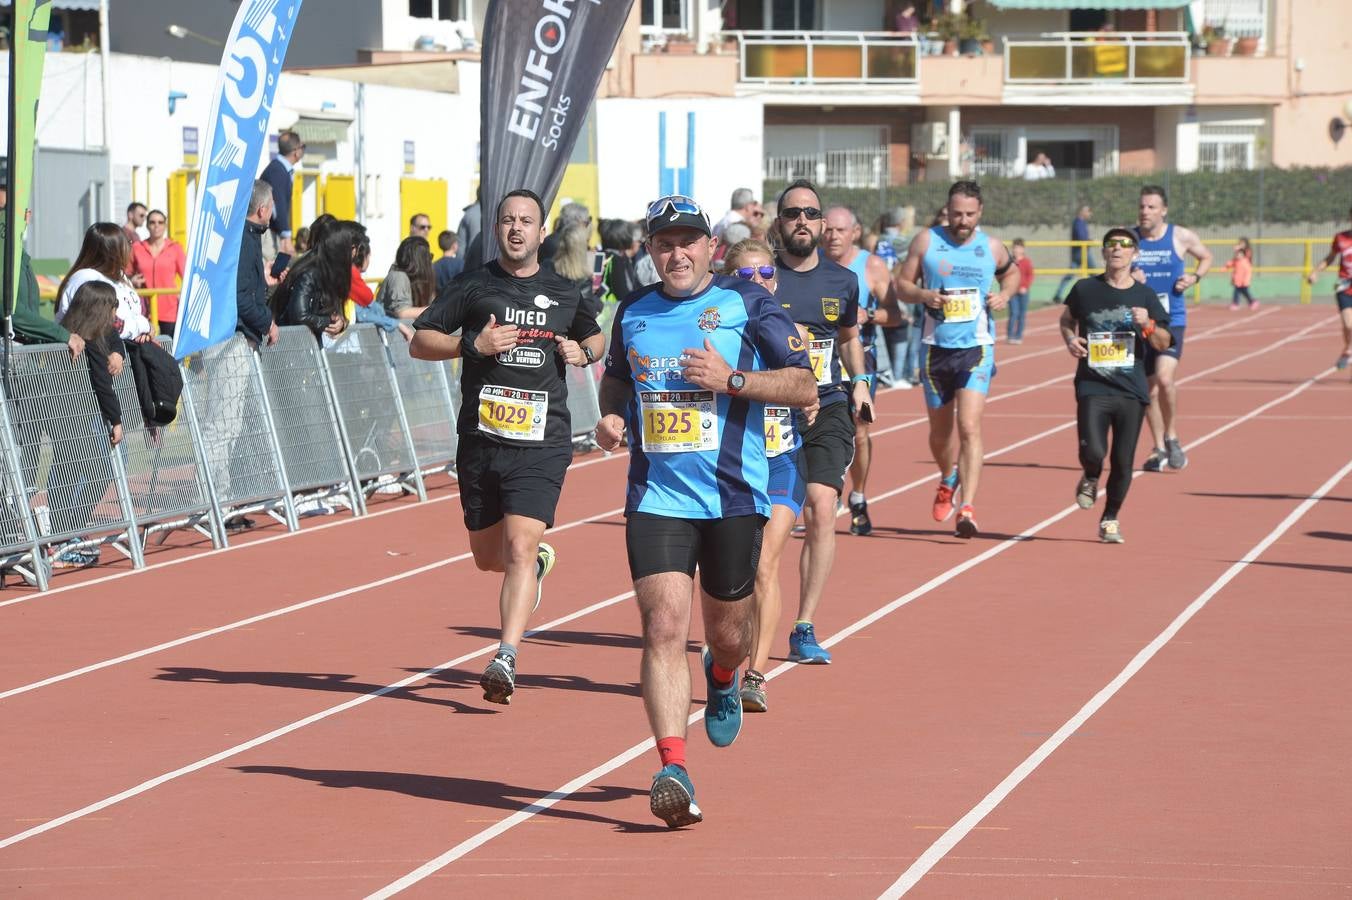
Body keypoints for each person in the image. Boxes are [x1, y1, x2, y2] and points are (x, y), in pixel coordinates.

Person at [595, 194, 814, 828]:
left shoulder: (747, 305)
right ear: (650, 251)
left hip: (731, 499)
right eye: (663, 243)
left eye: (688, 241)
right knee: (663, 626)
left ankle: (721, 675)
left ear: (710, 249)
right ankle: (672, 767)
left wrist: (733, 381)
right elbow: (616, 377)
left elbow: (802, 385)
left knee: (726, 633)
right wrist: (612, 414)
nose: (676, 253)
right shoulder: (632, 311)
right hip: (655, 497)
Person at [411, 189, 604, 706]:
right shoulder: (472, 285)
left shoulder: (565, 291)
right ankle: (536, 565)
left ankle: (506, 656)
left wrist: (582, 351)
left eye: (527, 221)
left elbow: (597, 336)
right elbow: (419, 339)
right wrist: (470, 346)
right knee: (487, 557)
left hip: (543, 442)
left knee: (519, 546)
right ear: (497, 229)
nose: (517, 229)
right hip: (481, 440)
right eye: (508, 221)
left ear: (543, 233)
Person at [770, 180, 869, 663]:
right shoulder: (756, 281)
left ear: (823, 223)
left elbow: (848, 336)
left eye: (810, 213)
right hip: (770, 411)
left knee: (822, 505)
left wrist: (863, 380)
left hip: (828, 405)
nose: (802, 222)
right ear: (779, 222)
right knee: (769, 524)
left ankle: (804, 625)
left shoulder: (842, 281)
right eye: (793, 214)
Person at [896, 181, 1020, 538]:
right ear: (946, 211)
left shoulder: (991, 247)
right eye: (956, 214)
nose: (962, 220)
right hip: (935, 348)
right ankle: (948, 476)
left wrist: (1005, 295)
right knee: (940, 433)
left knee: (969, 426)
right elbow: (901, 285)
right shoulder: (927, 241)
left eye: (969, 214)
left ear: (979, 213)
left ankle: (967, 507)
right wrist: (924, 295)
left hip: (976, 347)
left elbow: (1011, 273)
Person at [723, 238, 815, 714]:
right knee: (730, 572)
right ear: (726, 280)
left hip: (780, 460)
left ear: (775, 281)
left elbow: (809, 386)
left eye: (764, 275)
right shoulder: (719, 333)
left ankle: (755, 672)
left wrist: (815, 402)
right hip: (735, 467)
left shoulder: (791, 331)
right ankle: (729, 650)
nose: (757, 282)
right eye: (745, 276)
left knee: (765, 565)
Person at [1059, 228, 1172, 543]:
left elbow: (1164, 342)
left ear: (1135, 253)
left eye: (1125, 245)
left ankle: (1110, 518)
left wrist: (1147, 324)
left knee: (1123, 461)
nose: (1117, 249)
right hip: (1092, 385)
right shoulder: (1085, 289)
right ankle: (1091, 475)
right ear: (1104, 252)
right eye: (1111, 245)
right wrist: (1071, 339)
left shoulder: (1145, 296)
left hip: (1130, 389)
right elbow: (1066, 319)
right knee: (1094, 450)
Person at [197, 180, 279, 532]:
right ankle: (212, 503)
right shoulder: (243, 241)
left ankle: (223, 501)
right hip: (230, 342)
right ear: (262, 209)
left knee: (229, 426)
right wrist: (267, 322)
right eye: (272, 204)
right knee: (221, 426)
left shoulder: (246, 238)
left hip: (236, 340)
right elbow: (239, 297)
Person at [820, 205, 903, 536]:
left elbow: (895, 314)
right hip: (820, 360)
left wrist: (870, 315)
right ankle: (825, 492)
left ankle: (858, 495)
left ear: (854, 232)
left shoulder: (871, 266)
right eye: (828, 230)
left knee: (860, 432)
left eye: (841, 230)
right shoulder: (811, 264)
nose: (833, 236)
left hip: (860, 358)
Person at [43, 281, 126, 567]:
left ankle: (66, 530)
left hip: (66, 415)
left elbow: (115, 337)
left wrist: (118, 353)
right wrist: (115, 420)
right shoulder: (85, 341)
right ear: (98, 310)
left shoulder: (81, 332)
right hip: (69, 416)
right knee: (85, 468)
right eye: (111, 307)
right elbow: (103, 385)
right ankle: (62, 534)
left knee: (76, 469)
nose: (115, 314)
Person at [1133, 185, 1212, 473]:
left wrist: (1194, 277)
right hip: (1140, 323)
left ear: (1163, 210)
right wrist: (1130, 274)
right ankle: (1158, 447)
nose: (1145, 212)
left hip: (1171, 321)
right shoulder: (1129, 239)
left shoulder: (1180, 236)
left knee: (1165, 380)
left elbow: (1206, 256)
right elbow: (1111, 269)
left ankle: (1172, 435)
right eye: (1142, 206)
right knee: (1146, 391)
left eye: (1151, 207)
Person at [56, 223, 153, 344]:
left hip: (123, 355)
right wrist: (145, 325)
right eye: (127, 243)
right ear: (112, 250)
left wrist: (145, 331)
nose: (130, 248)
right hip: (92, 358)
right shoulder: (86, 278)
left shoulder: (121, 276)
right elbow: (109, 325)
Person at [270, 220, 365, 344]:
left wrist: (340, 322)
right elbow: (300, 316)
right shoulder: (310, 272)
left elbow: (331, 310)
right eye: (350, 248)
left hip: (309, 345)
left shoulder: (330, 274)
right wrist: (328, 321)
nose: (353, 253)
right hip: (290, 346)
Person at [1306, 210, 1352, 371]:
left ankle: (1349, 351)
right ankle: (1348, 349)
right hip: (1345, 286)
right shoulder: (1341, 238)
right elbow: (1330, 257)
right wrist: (1315, 271)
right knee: (1348, 325)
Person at [129, 210, 186, 337]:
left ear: (165, 225)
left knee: (170, 349)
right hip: (143, 310)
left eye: (160, 222)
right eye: (152, 222)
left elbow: (187, 277)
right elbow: (125, 274)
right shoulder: (137, 248)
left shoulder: (175, 248)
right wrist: (132, 280)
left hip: (169, 309)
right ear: (147, 225)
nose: (156, 226)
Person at [259, 130, 305, 262]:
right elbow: (278, 205)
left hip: (272, 231)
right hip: (269, 233)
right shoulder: (277, 171)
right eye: (302, 147)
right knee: (271, 266)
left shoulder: (279, 169)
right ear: (296, 151)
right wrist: (286, 237)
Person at [374, 236, 436, 321]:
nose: (430, 261)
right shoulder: (398, 276)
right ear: (420, 260)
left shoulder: (419, 281)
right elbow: (402, 313)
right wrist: (437, 310)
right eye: (429, 256)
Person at [1052, 205, 1093, 304]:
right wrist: (1088, 241)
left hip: (1080, 252)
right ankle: (1101, 292)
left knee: (1070, 275)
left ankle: (1057, 295)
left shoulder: (1081, 222)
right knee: (1094, 272)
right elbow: (1081, 237)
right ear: (1082, 211)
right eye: (1088, 211)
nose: (1090, 214)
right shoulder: (1078, 222)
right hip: (1081, 252)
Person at [1007, 238, 1034, 343]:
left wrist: (1025, 287)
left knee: (1022, 315)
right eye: (1015, 248)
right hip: (1012, 292)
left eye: (1019, 248)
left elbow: (1030, 275)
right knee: (1014, 313)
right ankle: (1010, 335)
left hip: (1023, 292)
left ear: (1023, 249)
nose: (1016, 250)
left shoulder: (1027, 262)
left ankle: (1018, 336)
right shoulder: (1010, 261)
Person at [1224, 238, 1256, 310]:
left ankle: (1251, 301)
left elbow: (1246, 255)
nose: (1241, 245)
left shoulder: (1247, 254)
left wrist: (1245, 280)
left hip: (1244, 277)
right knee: (1238, 290)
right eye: (1240, 243)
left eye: (1243, 243)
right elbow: (1233, 261)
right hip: (1238, 277)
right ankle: (1239, 303)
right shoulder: (1238, 258)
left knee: (1244, 291)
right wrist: (1226, 267)